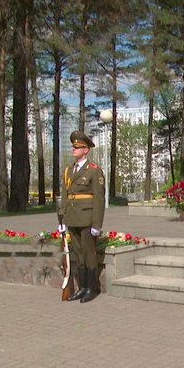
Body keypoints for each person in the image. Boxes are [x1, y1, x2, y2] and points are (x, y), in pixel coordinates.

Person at [59, 130, 106, 303]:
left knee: (88, 253)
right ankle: (82, 288)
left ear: (86, 150)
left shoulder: (94, 171)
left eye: (78, 147)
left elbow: (99, 199)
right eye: (73, 146)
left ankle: (91, 289)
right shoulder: (68, 171)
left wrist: (96, 223)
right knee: (78, 253)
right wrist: (63, 219)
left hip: (87, 218)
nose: (74, 149)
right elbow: (65, 196)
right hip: (72, 218)